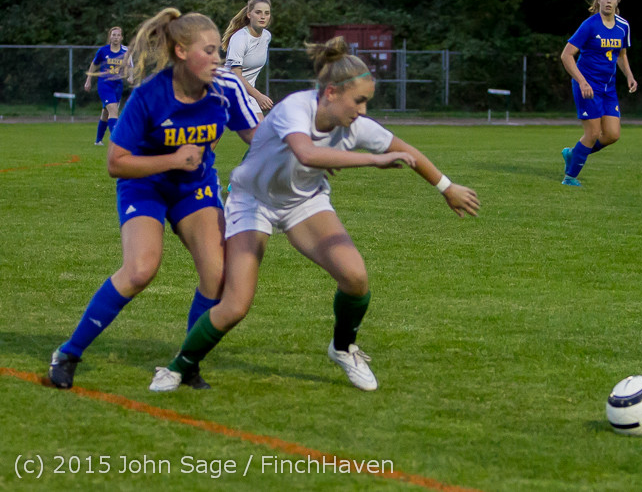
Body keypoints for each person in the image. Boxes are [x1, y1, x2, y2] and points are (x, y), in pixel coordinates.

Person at [149, 36, 481, 393]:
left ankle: (343, 348)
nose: (363, 111)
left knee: (355, 277)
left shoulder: (357, 127)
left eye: (367, 102)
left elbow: (408, 151)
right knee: (235, 305)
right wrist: (372, 159)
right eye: (359, 101)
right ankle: (179, 367)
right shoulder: (296, 108)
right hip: (252, 201)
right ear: (331, 93)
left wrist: (447, 188)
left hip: (303, 202)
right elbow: (306, 153)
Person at [48, 8, 260, 390]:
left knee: (217, 276)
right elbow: (116, 163)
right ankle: (68, 353)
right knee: (140, 270)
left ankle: (186, 365)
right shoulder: (149, 95)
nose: (218, 59)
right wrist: (174, 160)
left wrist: (306, 154)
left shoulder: (226, 88)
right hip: (144, 184)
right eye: (209, 51)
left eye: (219, 50)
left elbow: (260, 139)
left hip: (193, 186)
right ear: (181, 52)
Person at [560, 0, 637, 187]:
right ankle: (570, 177)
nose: (608, 1)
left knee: (612, 135)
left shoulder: (623, 26)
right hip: (587, 86)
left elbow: (621, 54)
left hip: (608, 88)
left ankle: (574, 153)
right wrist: (582, 82)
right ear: (598, 0)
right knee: (593, 134)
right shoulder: (590, 25)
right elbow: (566, 55)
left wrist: (629, 75)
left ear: (618, 1)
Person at [222, 0, 274, 120]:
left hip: (246, 93)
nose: (263, 17)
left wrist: (254, 95)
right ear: (249, 15)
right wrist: (258, 96)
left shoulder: (266, 36)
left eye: (266, 13)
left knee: (261, 132)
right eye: (258, 12)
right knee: (209, 134)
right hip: (226, 91)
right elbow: (235, 75)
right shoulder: (240, 38)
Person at [85, 26, 128, 145]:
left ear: (121, 37)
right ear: (110, 37)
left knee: (106, 113)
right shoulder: (103, 51)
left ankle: (98, 140)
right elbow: (94, 64)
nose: (116, 37)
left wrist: (130, 76)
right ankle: (116, 142)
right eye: (113, 35)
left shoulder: (125, 52)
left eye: (118, 35)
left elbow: (129, 66)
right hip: (104, 84)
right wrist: (88, 79)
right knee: (113, 110)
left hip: (117, 85)